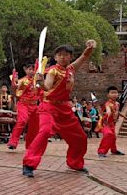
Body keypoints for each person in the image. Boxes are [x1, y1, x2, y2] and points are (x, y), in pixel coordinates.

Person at [22, 40, 96, 177]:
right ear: (55, 58)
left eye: (66, 55)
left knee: (80, 137)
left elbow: (84, 57)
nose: (62, 57)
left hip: (64, 109)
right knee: (44, 132)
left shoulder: (71, 70)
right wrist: (40, 83)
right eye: (59, 55)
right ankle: (29, 164)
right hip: (48, 106)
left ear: (70, 57)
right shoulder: (52, 71)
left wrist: (91, 47)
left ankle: (75, 163)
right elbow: (47, 86)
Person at [6, 64, 40, 150]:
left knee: (34, 126)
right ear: (25, 70)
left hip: (34, 106)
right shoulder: (23, 80)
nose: (31, 71)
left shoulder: (38, 81)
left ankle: (30, 145)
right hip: (23, 104)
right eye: (29, 69)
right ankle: (13, 142)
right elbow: (15, 89)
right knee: (22, 120)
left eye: (33, 69)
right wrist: (14, 83)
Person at [97, 86, 127, 157]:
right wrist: (106, 113)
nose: (114, 94)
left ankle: (114, 150)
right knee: (108, 135)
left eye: (116, 93)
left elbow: (118, 112)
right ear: (108, 95)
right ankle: (101, 151)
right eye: (112, 93)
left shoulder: (117, 104)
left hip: (112, 124)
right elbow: (104, 112)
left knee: (113, 137)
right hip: (105, 123)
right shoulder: (107, 104)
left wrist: (126, 118)